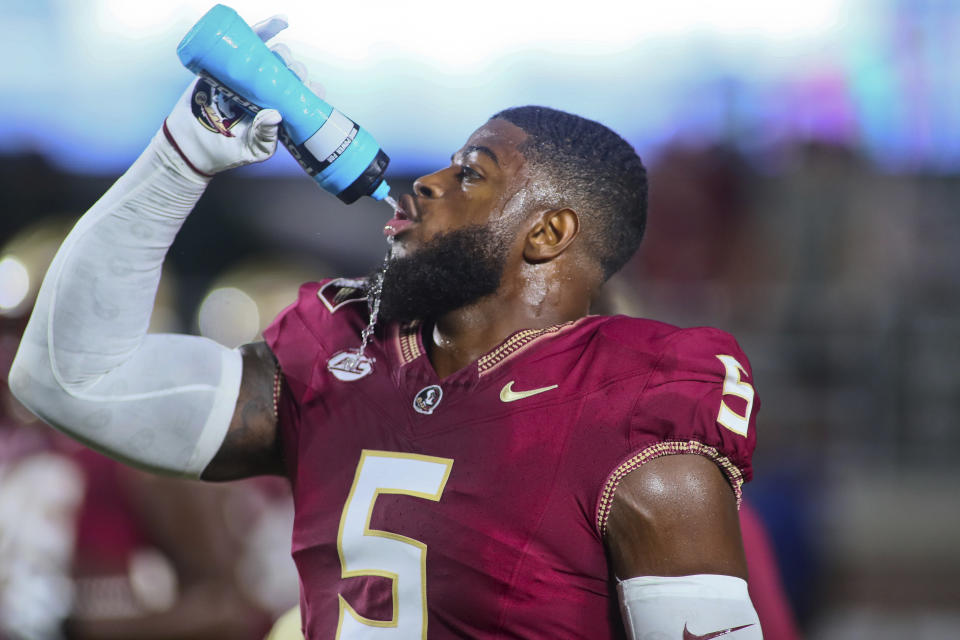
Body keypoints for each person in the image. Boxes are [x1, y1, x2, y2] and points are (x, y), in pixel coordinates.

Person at [9, 17, 763, 639]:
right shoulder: (339, 359)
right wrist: (180, 158)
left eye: (472, 173)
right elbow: (71, 379)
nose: (428, 183)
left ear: (548, 233)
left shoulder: (634, 420)